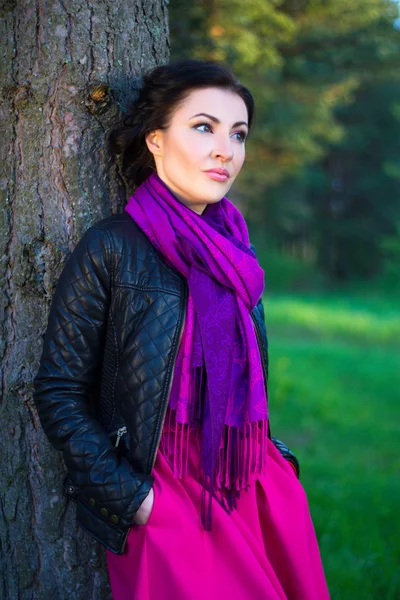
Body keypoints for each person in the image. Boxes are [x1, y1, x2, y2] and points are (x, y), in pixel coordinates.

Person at [33, 59, 330, 599]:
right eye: (203, 127)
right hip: (167, 492)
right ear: (155, 140)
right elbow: (58, 390)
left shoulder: (238, 250)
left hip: (253, 480)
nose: (226, 150)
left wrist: (278, 463)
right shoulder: (113, 247)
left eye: (238, 134)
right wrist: (133, 497)